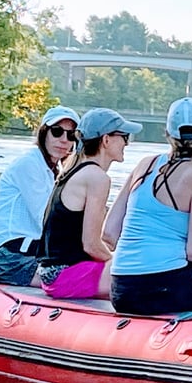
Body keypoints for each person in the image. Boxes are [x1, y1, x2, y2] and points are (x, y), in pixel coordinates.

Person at [103, 97, 192, 315]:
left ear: (167, 133)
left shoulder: (145, 165)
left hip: (122, 290)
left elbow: (109, 233)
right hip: (169, 288)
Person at [35, 108, 141, 299]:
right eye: (124, 137)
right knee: (143, 268)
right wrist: (115, 262)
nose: (127, 143)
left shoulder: (73, 170)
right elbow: (91, 245)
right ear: (106, 140)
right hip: (66, 277)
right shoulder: (96, 177)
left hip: (52, 274)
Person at [0, 105, 78, 285]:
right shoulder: (29, 164)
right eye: (57, 132)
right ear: (44, 133)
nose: (63, 140)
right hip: (12, 257)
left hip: (32, 251)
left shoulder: (51, 169)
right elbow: (45, 220)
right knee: (83, 280)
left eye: (71, 135)